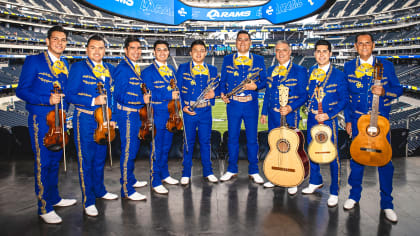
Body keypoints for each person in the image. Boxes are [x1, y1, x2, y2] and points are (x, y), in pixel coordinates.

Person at [16, 25, 77, 224]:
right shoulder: (34, 61)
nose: (60, 43)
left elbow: (66, 93)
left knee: (54, 162)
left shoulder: (65, 63)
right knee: (43, 162)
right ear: (48, 41)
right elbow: (21, 91)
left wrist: (65, 111)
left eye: (63, 40)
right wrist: (46, 99)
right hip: (40, 120)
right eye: (56, 39)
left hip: (59, 121)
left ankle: (54, 197)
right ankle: (44, 207)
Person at [343, 33, 403, 223]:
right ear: (355, 47)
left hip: (380, 122)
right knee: (357, 160)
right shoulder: (348, 66)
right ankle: (354, 195)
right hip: (358, 120)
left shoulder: (386, 65)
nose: (364, 46)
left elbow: (398, 89)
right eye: (360, 44)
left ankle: (387, 203)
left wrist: (385, 92)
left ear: (373, 45)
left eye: (367, 43)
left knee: (385, 162)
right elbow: (346, 97)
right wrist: (348, 121)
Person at [65, 34, 118, 217]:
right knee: (85, 160)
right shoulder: (78, 67)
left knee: (99, 160)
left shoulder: (110, 68)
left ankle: (100, 191)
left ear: (105, 50)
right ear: (87, 50)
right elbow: (69, 94)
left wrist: (112, 116)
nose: (97, 51)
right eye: (93, 47)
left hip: (105, 120)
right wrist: (92, 100)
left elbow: (112, 95)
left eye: (101, 48)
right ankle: (88, 200)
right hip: (85, 119)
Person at [300, 40, 348, 207]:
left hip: (330, 121)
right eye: (318, 51)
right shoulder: (311, 70)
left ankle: (334, 191)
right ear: (314, 54)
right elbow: (308, 94)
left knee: (332, 155)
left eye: (324, 51)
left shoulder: (339, 75)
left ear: (330, 53)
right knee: (312, 151)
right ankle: (315, 181)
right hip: (313, 118)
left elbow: (344, 100)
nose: (321, 54)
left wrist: (329, 114)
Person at [260, 40, 308, 195]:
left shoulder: (300, 70)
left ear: (290, 52)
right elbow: (267, 93)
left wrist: (290, 107)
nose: (281, 53)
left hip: (291, 116)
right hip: (273, 116)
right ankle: (275, 177)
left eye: (284, 50)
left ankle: (292, 178)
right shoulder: (271, 69)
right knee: (274, 146)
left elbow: (304, 95)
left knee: (291, 147)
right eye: (278, 50)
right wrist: (263, 113)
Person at [219, 30, 267, 184]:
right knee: (232, 138)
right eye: (240, 40)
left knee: (252, 139)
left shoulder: (259, 59)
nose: (243, 43)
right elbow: (222, 82)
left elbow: (265, 81)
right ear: (236, 43)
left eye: (246, 40)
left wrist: (256, 86)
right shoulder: (227, 59)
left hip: (251, 105)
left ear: (250, 43)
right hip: (233, 105)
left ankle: (254, 170)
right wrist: (222, 93)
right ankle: (231, 169)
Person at [176, 40, 219, 185]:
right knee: (188, 142)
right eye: (195, 50)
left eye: (202, 50)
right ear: (190, 53)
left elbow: (218, 87)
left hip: (206, 111)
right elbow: (177, 90)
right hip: (189, 112)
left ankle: (208, 171)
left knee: (206, 142)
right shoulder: (182, 68)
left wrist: (215, 94)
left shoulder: (212, 69)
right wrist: (182, 107)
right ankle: (186, 173)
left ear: (206, 52)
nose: (199, 53)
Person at [114, 36, 149, 201]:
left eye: (139, 48)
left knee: (133, 148)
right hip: (127, 113)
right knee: (128, 150)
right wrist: (143, 99)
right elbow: (120, 95)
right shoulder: (123, 68)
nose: (136, 51)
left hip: (134, 113)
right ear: (126, 50)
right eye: (133, 48)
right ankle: (126, 189)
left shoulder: (133, 67)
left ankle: (130, 179)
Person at [143, 40, 180, 194]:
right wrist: (168, 94)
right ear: (154, 52)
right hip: (157, 113)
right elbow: (148, 94)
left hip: (171, 114)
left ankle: (164, 174)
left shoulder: (171, 69)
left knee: (166, 147)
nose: (163, 53)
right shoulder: (147, 72)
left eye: (165, 50)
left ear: (168, 52)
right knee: (156, 149)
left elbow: (176, 90)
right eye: (159, 50)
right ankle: (155, 180)